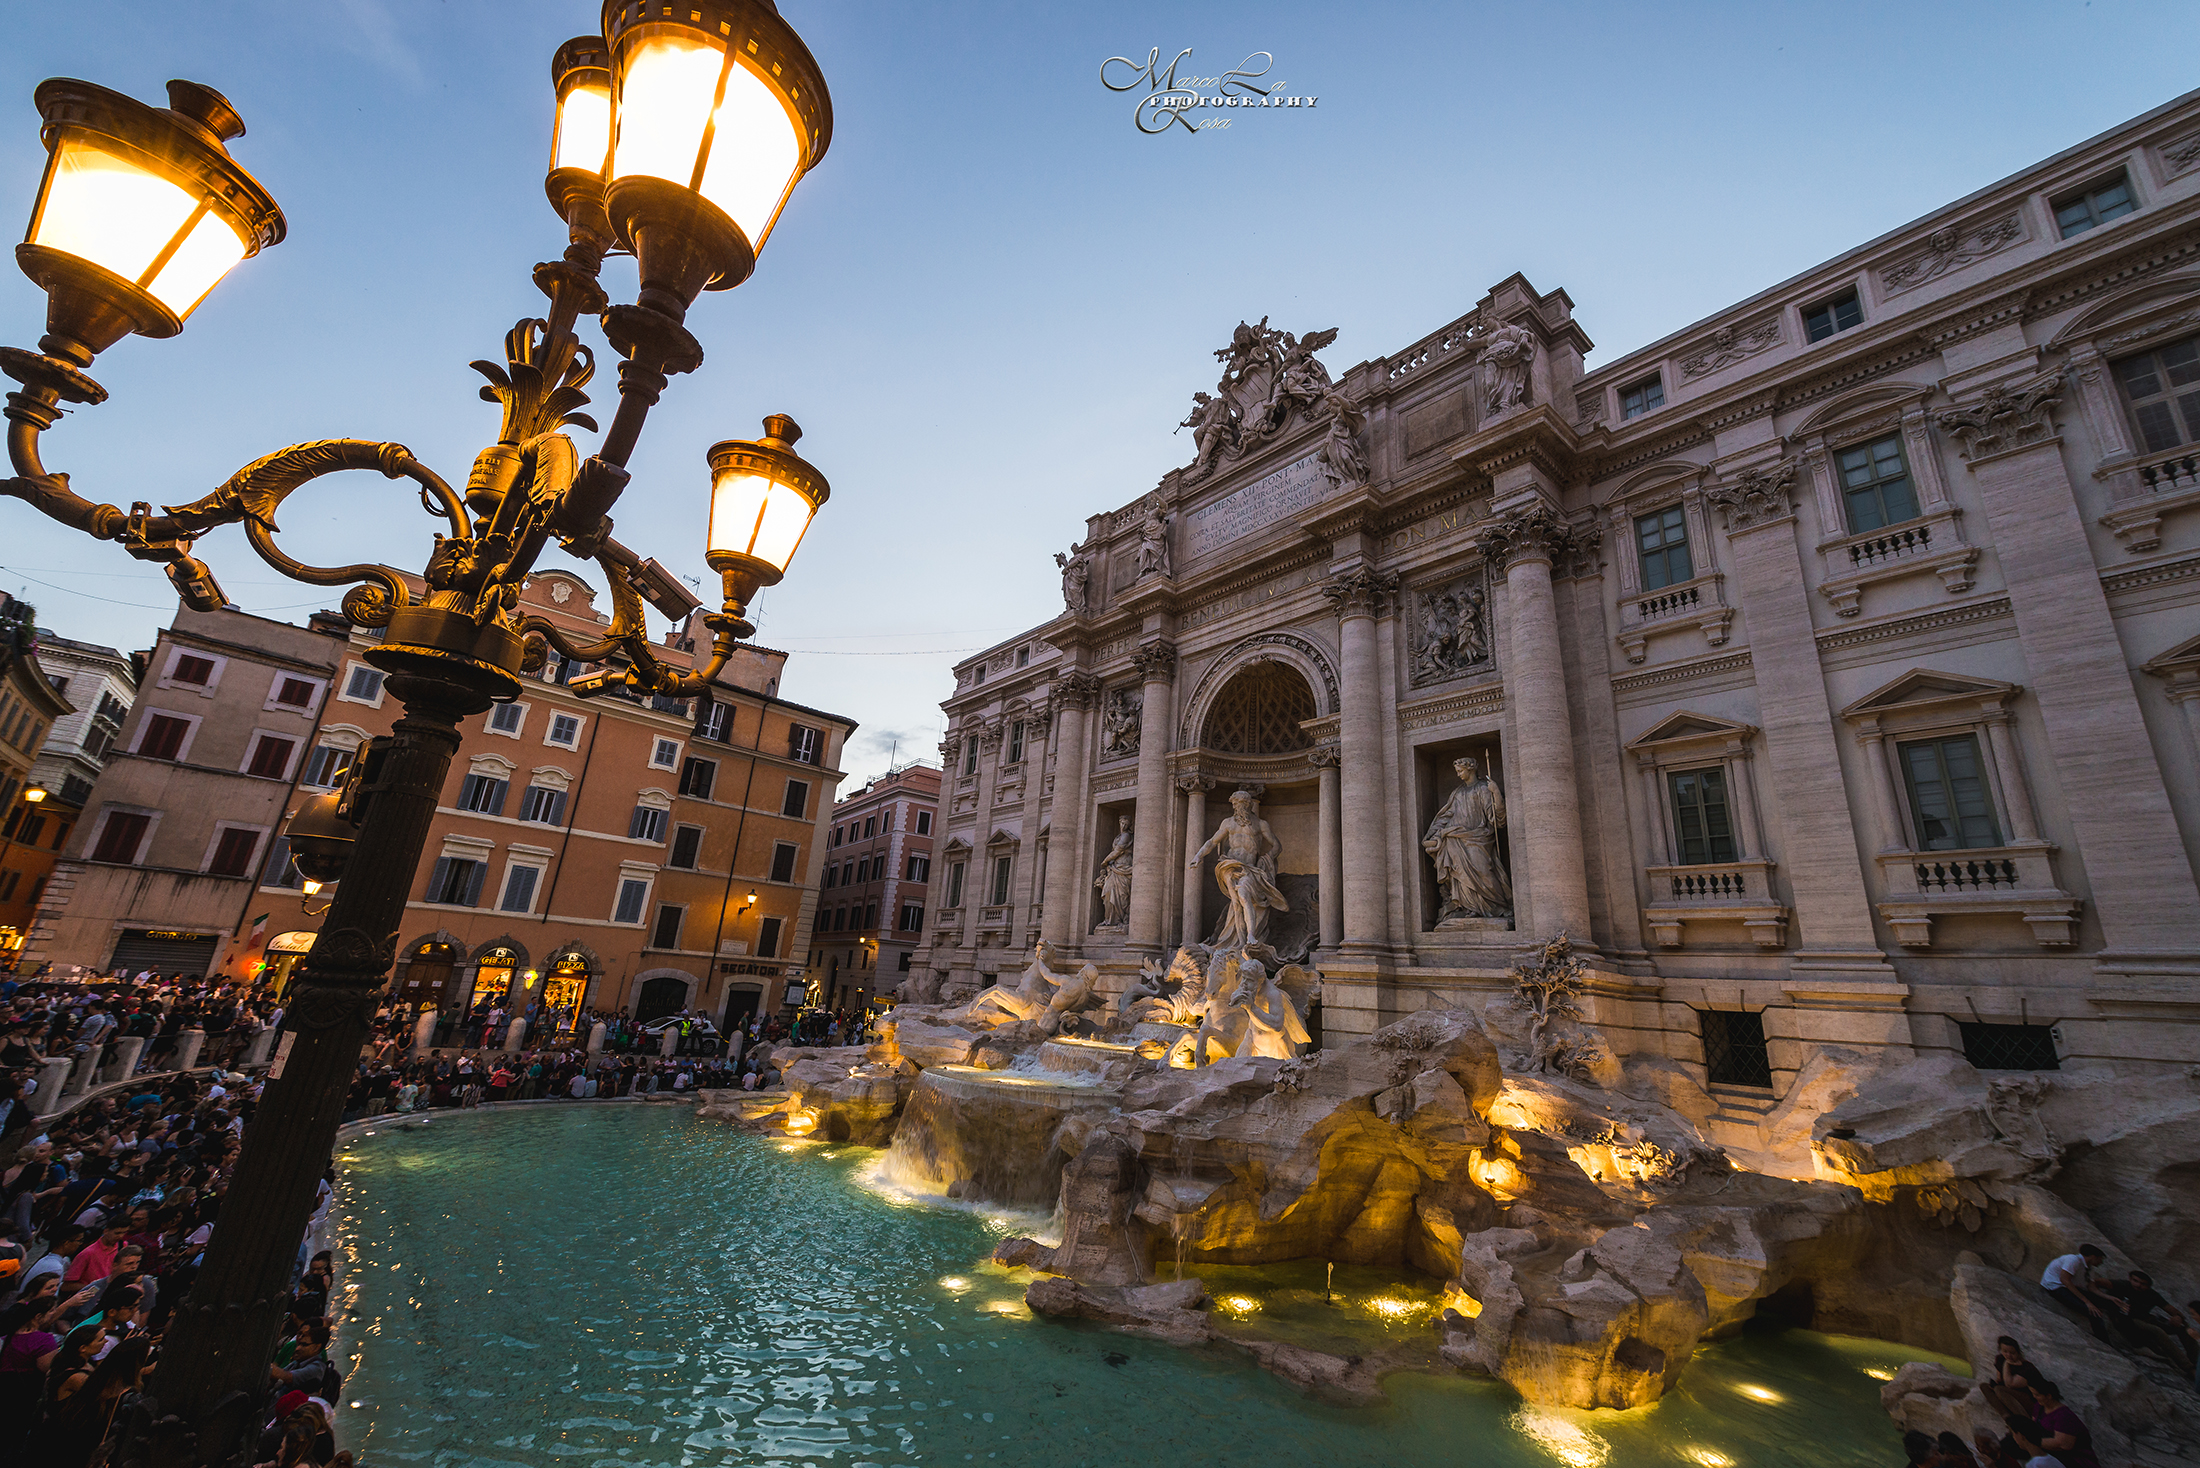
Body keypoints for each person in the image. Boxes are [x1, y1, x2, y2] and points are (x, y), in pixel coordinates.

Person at [2008, 1378, 2099, 1468]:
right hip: (2046, 1450)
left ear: (2048, 1396)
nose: (2034, 1397)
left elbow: (2064, 1445)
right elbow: (2033, 1426)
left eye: (2037, 1394)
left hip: (2072, 1459)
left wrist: (2031, 1442)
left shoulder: (2063, 1416)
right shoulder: (2039, 1407)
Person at [2039, 1245, 2115, 1342]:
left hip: (2071, 1287)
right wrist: (2087, 1302)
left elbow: (2091, 1287)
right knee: (2093, 1312)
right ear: (2093, 1257)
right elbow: (2065, 1280)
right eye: (2100, 1259)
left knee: (2107, 1303)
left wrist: (2110, 1298)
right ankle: (2104, 1341)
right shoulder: (2073, 1260)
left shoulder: (2089, 1268)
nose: (2101, 1262)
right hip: (2056, 1287)